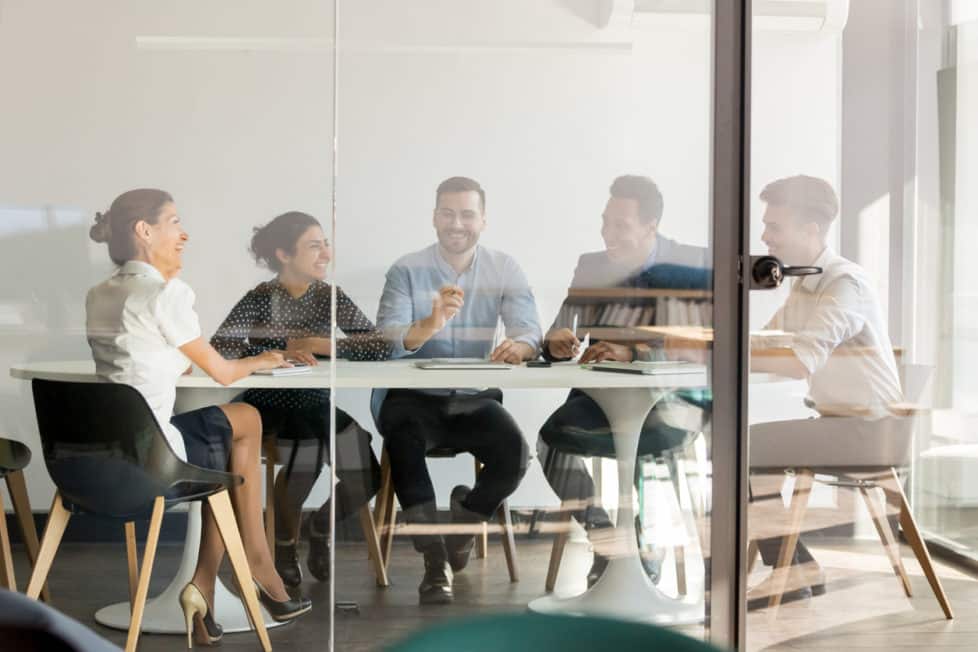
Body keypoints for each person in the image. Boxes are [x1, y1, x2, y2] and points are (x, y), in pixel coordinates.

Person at [85, 189, 311, 647]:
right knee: (244, 420)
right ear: (144, 231)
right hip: (155, 458)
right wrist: (265, 360)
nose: (183, 233)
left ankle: (210, 583)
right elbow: (223, 372)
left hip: (103, 456)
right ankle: (247, 571)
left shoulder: (100, 293)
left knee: (233, 432)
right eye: (173, 222)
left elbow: (148, 360)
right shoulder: (167, 293)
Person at [375, 176, 542, 604]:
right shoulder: (405, 269)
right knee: (404, 443)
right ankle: (434, 562)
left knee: (515, 454)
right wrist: (431, 323)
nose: (457, 223)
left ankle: (463, 525)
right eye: (448, 213)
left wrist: (518, 346)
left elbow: (529, 332)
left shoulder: (505, 268)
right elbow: (387, 342)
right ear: (434, 218)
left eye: (467, 214)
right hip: (412, 399)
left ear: (482, 221)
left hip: (473, 398)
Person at [537, 174, 709, 587]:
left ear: (652, 226)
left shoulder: (693, 264)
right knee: (550, 442)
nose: (607, 233)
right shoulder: (592, 265)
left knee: (642, 446)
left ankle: (645, 548)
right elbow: (563, 328)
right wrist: (555, 341)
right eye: (605, 222)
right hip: (602, 399)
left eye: (621, 225)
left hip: (672, 400)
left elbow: (705, 345)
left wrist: (636, 353)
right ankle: (608, 539)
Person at [747, 174, 903, 607]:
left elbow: (799, 362)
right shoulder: (805, 282)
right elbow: (766, 339)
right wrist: (709, 340)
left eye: (774, 226)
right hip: (841, 422)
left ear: (810, 230)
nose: (765, 236)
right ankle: (794, 567)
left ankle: (792, 571)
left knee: (748, 447)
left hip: (872, 430)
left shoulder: (844, 284)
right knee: (748, 447)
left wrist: (709, 354)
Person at [211, 211, 388, 588]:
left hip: (315, 404)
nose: (326, 252)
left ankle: (319, 527)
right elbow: (220, 347)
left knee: (367, 473)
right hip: (269, 406)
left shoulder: (330, 296)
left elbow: (376, 347)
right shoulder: (260, 297)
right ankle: (283, 544)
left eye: (325, 243)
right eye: (314, 246)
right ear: (284, 255)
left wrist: (322, 345)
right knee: (304, 456)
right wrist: (275, 353)